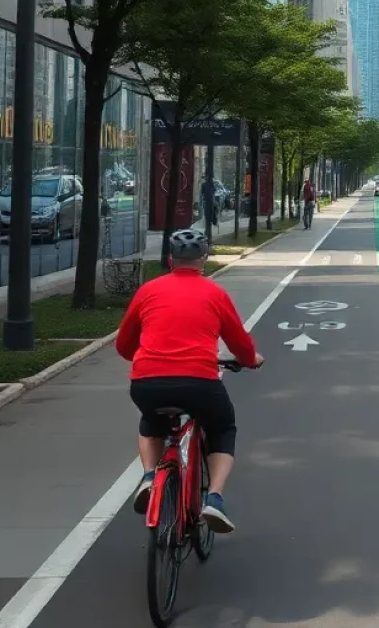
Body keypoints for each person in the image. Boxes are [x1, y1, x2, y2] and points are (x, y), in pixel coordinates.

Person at [116, 228, 264, 534]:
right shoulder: (215, 293)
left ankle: (148, 478)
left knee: (150, 421)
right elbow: (240, 343)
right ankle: (215, 499)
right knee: (222, 427)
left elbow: (123, 345)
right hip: (199, 382)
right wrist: (251, 361)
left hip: (147, 381)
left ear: (171, 259)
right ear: (204, 260)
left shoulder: (148, 291)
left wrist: (148, 358)